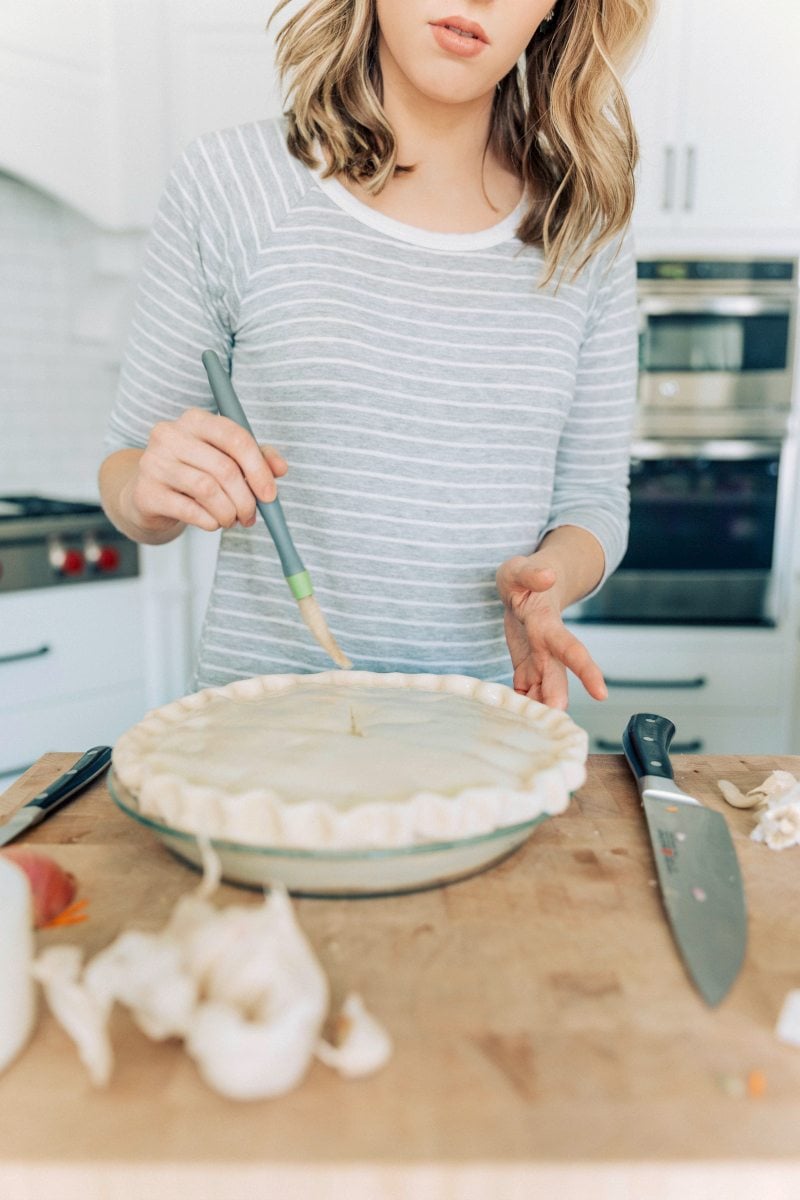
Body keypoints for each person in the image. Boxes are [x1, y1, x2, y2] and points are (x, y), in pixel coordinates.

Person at [99, 0, 652, 710]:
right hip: (259, 741)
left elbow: (594, 501)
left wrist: (550, 578)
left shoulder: (587, 229)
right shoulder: (228, 185)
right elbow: (125, 465)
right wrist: (152, 492)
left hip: (486, 741)